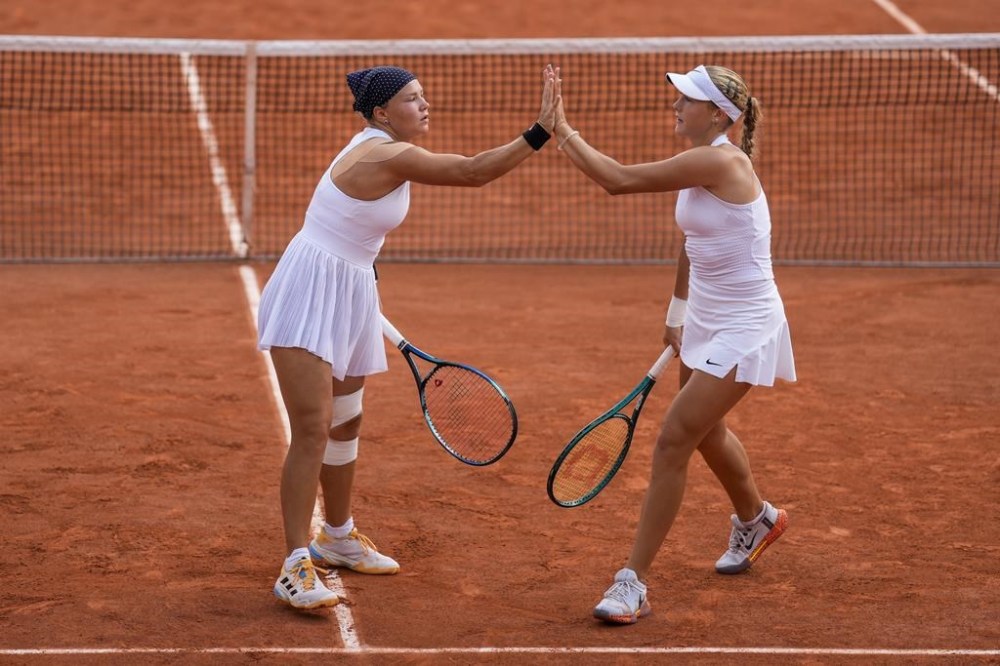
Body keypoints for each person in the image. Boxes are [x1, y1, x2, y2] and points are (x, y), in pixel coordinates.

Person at [259, 64, 558, 610]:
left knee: (346, 421)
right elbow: (471, 172)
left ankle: (338, 537)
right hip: (308, 293)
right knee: (312, 428)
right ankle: (293, 564)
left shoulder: (379, 145)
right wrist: (539, 132)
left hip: (349, 290)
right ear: (380, 113)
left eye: (423, 96)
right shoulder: (386, 154)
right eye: (412, 99)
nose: (425, 105)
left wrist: (362, 288)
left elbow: (354, 234)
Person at [552, 65, 796, 624]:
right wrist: (679, 311)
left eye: (688, 99)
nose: (676, 105)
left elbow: (616, 179)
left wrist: (561, 129)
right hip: (708, 317)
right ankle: (757, 518)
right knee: (707, 432)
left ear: (718, 114)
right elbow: (693, 239)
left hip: (746, 323)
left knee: (673, 441)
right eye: (678, 97)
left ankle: (631, 582)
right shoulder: (700, 162)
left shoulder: (719, 158)